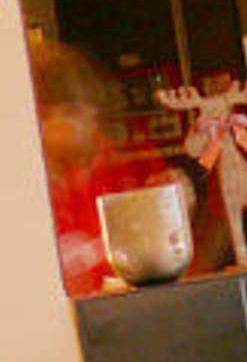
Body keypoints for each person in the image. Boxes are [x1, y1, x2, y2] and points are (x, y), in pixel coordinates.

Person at [28, 39, 184, 294]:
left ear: (94, 112)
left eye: (70, 111)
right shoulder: (25, 182)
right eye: (44, 116)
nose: (58, 125)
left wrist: (181, 202)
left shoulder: (135, 161)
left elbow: (168, 247)